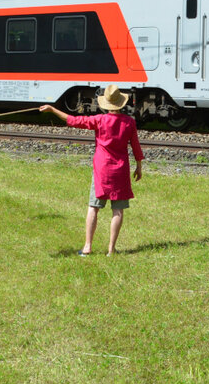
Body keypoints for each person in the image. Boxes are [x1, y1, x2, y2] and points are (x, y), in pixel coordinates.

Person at [39, 85, 143, 256]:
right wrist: (139, 167)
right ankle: (111, 250)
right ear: (121, 103)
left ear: (106, 103)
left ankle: (87, 247)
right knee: (118, 210)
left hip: (102, 170)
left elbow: (73, 120)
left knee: (93, 207)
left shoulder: (99, 120)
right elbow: (136, 146)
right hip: (121, 170)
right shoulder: (129, 122)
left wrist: (53, 110)